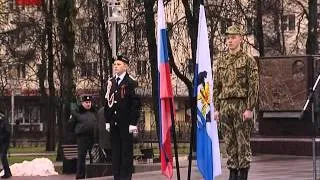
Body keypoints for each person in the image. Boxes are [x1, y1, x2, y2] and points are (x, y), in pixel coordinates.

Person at [213, 25, 259, 180]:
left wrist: (249, 108)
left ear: (240, 38)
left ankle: (243, 173)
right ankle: (233, 173)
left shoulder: (248, 60)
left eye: (233, 37)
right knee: (229, 142)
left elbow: (254, 85)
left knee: (242, 142)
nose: (230, 41)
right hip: (225, 106)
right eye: (228, 38)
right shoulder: (221, 61)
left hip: (241, 106)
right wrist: (216, 108)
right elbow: (217, 85)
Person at [104, 54, 141, 180]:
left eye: (118, 64)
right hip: (114, 123)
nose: (116, 66)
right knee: (116, 152)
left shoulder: (131, 82)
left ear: (125, 66)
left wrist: (133, 123)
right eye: (114, 64)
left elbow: (135, 104)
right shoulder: (111, 82)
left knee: (126, 153)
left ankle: (125, 177)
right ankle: (117, 176)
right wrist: (107, 120)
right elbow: (108, 103)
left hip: (126, 123)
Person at [68, 95, 97, 179]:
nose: (88, 104)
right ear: (82, 103)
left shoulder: (94, 112)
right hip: (82, 138)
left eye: (89, 102)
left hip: (92, 137)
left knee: (93, 157)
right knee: (81, 157)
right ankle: (80, 175)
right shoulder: (77, 112)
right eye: (86, 102)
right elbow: (70, 125)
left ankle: (92, 175)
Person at [0, 111, 12, 179]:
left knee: (3, 156)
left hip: (4, 143)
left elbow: (8, 132)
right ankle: (7, 172)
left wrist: (2, 138)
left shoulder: (4, 122)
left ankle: (7, 173)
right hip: (1, 142)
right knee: (2, 157)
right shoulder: (1, 122)